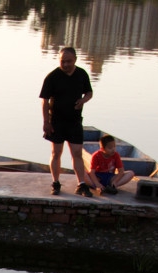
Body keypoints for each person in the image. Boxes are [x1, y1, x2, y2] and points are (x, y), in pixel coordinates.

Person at [39, 47, 94, 197]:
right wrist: (46, 122)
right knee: (56, 152)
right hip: (56, 121)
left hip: (74, 121)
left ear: (75, 60)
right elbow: (44, 101)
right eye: (63, 61)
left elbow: (89, 92)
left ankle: (81, 183)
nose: (65, 64)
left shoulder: (81, 74)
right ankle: (56, 182)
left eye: (69, 61)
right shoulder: (53, 77)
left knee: (77, 153)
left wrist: (83, 100)